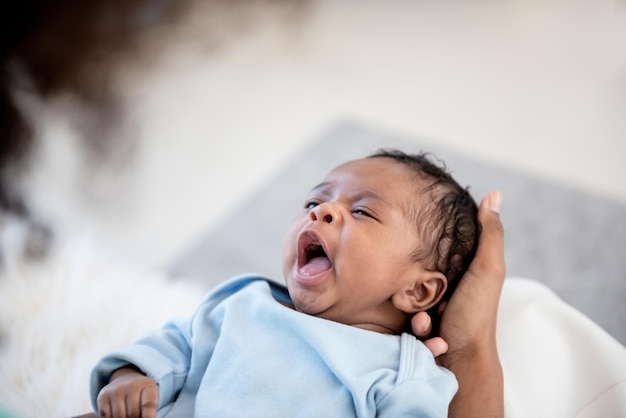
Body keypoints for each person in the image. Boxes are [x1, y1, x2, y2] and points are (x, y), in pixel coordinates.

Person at [90, 149, 505, 418]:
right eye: (314, 202)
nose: (323, 211)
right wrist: (131, 377)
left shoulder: (402, 376)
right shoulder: (246, 301)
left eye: (362, 212)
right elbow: (176, 345)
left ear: (417, 291)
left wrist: (470, 345)